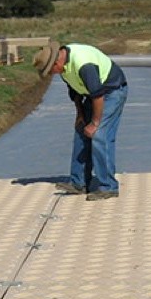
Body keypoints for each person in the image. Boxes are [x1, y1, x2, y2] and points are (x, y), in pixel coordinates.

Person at [33, 43, 128, 201]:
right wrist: (80, 115)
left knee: (99, 135)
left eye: (50, 71)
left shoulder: (84, 64)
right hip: (92, 94)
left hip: (111, 91)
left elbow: (98, 95)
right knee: (81, 130)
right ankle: (79, 183)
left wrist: (95, 123)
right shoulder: (64, 67)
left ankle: (108, 187)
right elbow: (76, 92)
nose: (51, 75)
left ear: (56, 63)